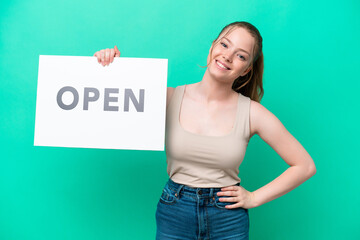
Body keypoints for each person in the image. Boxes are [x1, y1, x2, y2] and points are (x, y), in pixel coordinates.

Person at [94, 21, 316, 240]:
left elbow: (305, 166)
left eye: (240, 56)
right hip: (174, 212)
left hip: (228, 219)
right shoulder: (169, 98)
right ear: (212, 46)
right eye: (224, 45)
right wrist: (112, 67)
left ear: (246, 69)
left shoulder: (252, 113)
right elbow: (110, 109)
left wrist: (254, 197)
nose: (228, 57)